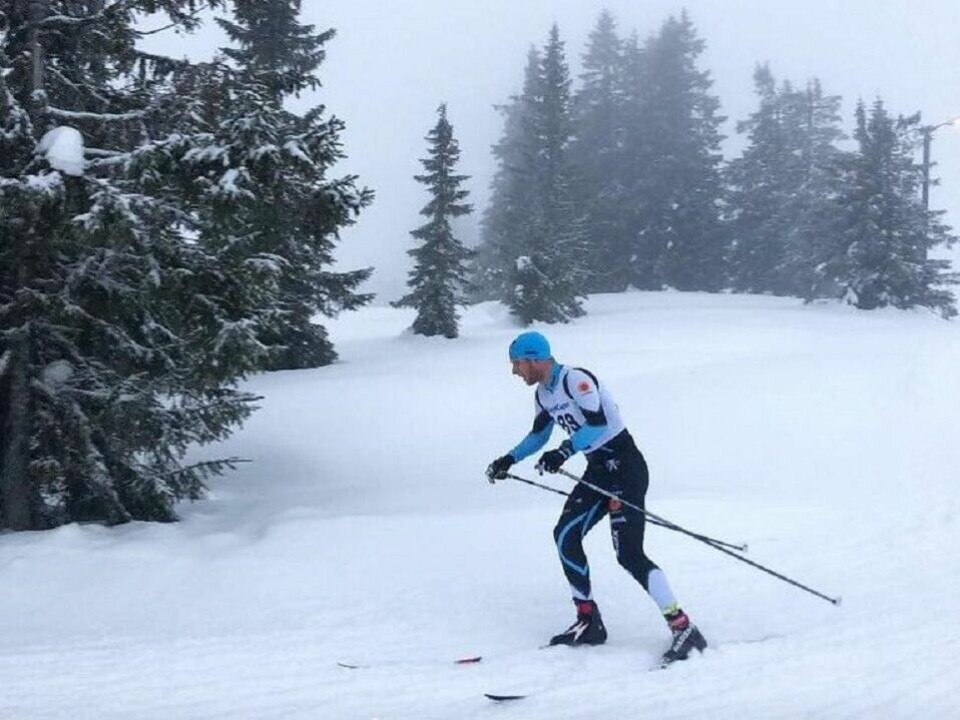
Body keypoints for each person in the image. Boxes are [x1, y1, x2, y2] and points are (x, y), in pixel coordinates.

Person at [486, 331, 707, 666]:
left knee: (629, 554)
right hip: (598, 471)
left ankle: (683, 627)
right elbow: (538, 436)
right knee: (565, 535)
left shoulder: (575, 380)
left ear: (533, 359)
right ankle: (588, 621)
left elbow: (597, 424)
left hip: (626, 468)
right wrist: (509, 459)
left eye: (517, 364)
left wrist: (564, 451)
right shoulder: (543, 395)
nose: (515, 371)